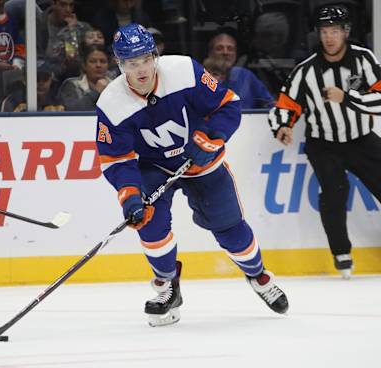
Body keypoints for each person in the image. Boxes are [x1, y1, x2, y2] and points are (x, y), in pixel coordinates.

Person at [96, 23, 289, 327]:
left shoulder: (184, 70)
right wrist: (130, 194)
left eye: (146, 59)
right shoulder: (111, 103)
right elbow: (117, 160)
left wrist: (210, 137)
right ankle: (167, 286)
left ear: (154, 55)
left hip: (202, 163)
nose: (142, 69)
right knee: (150, 225)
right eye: (132, 63)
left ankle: (259, 276)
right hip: (153, 167)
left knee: (230, 228)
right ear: (120, 65)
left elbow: (227, 106)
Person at [268, 5, 381, 279]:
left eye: (335, 31)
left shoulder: (363, 59)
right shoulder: (306, 70)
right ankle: (341, 253)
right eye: (324, 31)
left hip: (361, 139)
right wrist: (283, 125)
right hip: (324, 145)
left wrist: (348, 98)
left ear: (346, 33)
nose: (329, 37)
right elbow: (285, 104)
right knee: (334, 193)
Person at [207, 30, 274, 109]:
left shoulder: (246, 76)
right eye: (219, 48)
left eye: (230, 49)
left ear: (235, 54)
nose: (225, 52)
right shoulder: (200, 77)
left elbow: (270, 105)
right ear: (210, 53)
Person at [58, 44, 112, 111]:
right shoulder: (72, 85)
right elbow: (71, 110)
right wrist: (95, 92)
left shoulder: (116, 86)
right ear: (84, 65)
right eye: (93, 61)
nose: (98, 65)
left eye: (103, 61)